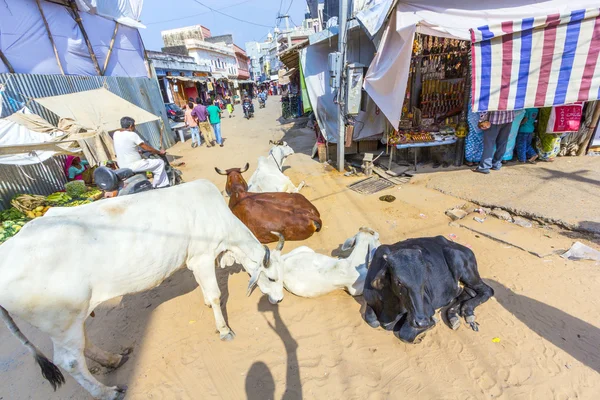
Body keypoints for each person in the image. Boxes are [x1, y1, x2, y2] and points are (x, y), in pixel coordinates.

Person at [113, 116, 169, 188]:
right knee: (160, 163)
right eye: (134, 125)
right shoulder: (132, 135)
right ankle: (160, 186)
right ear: (131, 126)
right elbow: (147, 148)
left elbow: (126, 145)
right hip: (134, 165)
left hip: (122, 166)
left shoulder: (116, 134)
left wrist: (137, 151)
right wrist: (159, 152)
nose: (135, 127)